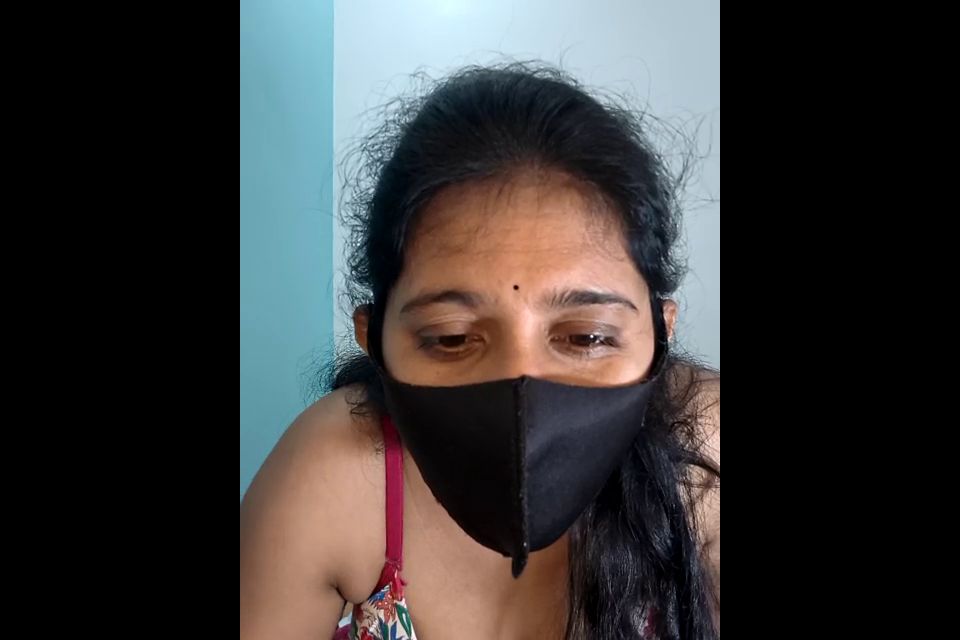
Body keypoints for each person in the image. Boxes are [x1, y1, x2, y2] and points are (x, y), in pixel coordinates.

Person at [240, 62, 720, 640]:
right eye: (450, 337)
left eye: (587, 337)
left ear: (660, 333)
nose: (522, 388)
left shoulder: (705, 463)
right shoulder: (331, 473)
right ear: (373, 338)